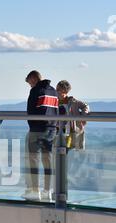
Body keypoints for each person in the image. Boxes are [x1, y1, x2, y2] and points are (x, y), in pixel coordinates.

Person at [25, 70, 59, 202]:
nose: (30, 86)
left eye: (29, 83)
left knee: (34, 160)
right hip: (51, 129)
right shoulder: (53, 92)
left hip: (37, 129)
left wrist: (32, 125)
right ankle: (47, 191)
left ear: (33, 79)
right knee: (47, 160)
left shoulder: (35, 91)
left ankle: (35, 191)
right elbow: (55, 110)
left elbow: (31, 111)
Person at [56, 80, 90, 151]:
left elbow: (85, 106)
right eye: (56, 89)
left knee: (66, 150)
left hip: (70, 132)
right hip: (58, 130)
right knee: (59, 151)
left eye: (58, 89)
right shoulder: (54, 101)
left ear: (65, 91)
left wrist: (83, 118)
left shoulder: (73, 102)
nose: (56, 91)